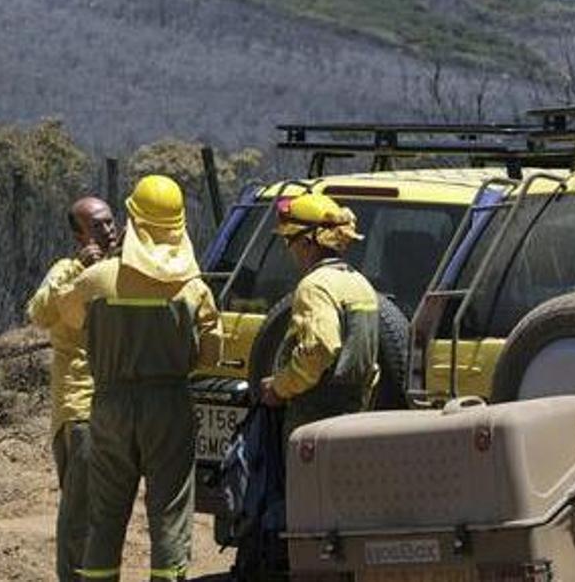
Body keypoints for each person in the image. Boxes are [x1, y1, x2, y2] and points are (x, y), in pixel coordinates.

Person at [56, 175, 222, 582]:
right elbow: (210, 355)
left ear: (133, 220)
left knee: (105, 516)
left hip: (110, 406)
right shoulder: (193, 288)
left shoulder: (97, 280)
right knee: (168, 513)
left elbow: (69, 315)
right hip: (168, 406)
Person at [27, 196, 118, 582]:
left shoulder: (121, 268)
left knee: (106, 510)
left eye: (111, 223)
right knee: (78, 510)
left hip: (117, 408)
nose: (108, 231)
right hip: (79, 407)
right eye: (97, 226)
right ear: (78, 235)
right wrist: (79, 271)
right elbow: (39, 313)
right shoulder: (66, 269)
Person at [258, 192, 379, 439]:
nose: (289, 249)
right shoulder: (360, 283)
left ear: (308, 242)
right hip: (355, 415)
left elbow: (319, 349)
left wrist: (279, 388)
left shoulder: (314, 286)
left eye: (290, 239)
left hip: (314, 417)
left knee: (305, 478)